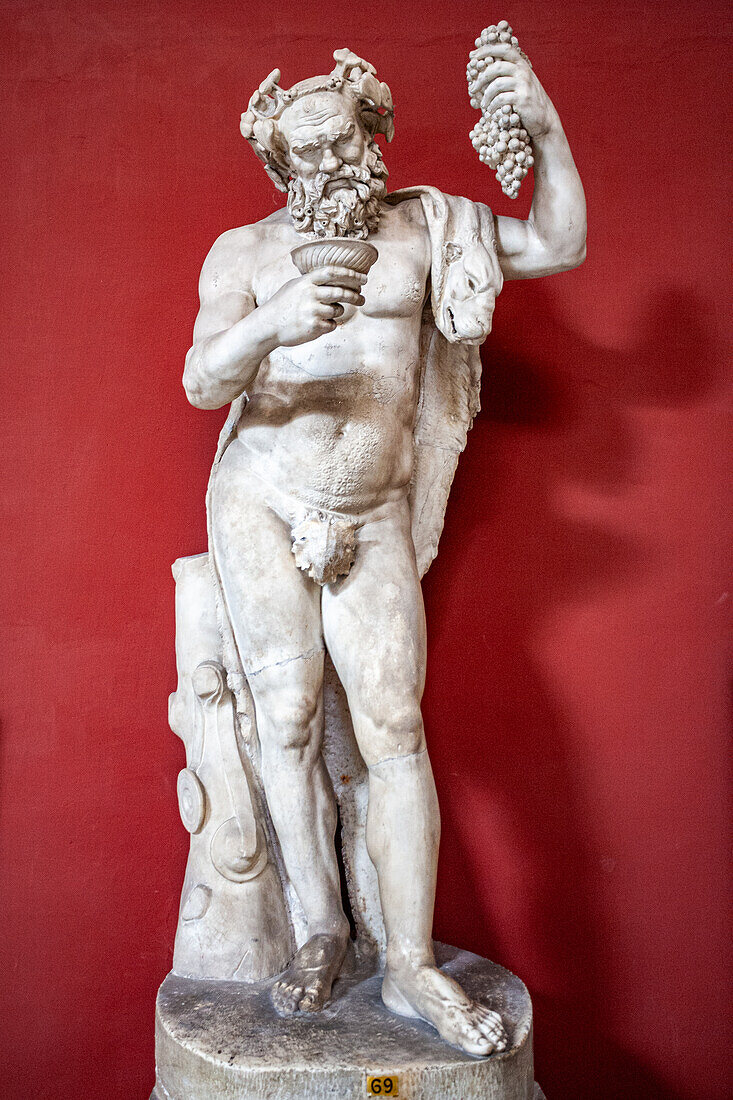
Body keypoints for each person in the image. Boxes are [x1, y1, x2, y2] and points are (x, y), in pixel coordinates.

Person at [182, 45, 585, 1057]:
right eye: (304, 153)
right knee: (283, 712)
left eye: (342, 141)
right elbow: (200, 380)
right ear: (279, 164)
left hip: (370, 507)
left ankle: (407, 962)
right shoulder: (244, 252)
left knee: (393, 723)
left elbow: (556, 241)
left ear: (373, 134)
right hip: (263, 499)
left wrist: (542, 128)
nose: (327, 164)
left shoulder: (430, 225)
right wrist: (271, 325)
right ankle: (321, 924)